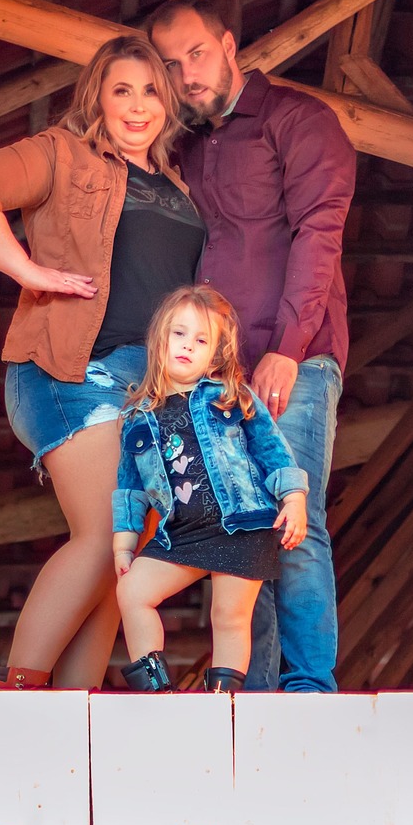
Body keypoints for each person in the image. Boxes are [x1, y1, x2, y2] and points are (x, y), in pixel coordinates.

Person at [0, 34, 205, 689]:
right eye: (122, 90)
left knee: (127, 552)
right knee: (108, 532)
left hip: (150, 389)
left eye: (151, 90)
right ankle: (19, 690)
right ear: (98, 97)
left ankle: (71, 707)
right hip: (75, 373)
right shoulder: (65, 153)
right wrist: (30, 270)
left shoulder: (179, 182)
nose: (138, 106)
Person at [149, 0, 356, 693]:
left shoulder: (297, 121)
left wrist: (289, 346)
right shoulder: (189, 144)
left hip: (288, 355)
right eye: (171, 66)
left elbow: (318, 233)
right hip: (217, 373)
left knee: (292, 521)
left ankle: (308, 691)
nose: (186, 74)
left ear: (229, 45)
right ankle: (257, 697)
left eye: (197, 54)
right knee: (242, 532)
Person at [112, 285, 307, 693]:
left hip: (242, 525)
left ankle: (222, 703)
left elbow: (273, 452)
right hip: (180, 536)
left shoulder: (231, 397)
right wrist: (124, 544)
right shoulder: (136, 417)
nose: (187, 346)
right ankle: (155, 692)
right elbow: (129, 488)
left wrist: (294, 497)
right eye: (178, 334)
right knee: (132, 591)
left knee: (229, 617)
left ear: (215, 354)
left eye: (201, 340)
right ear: (159, 339)